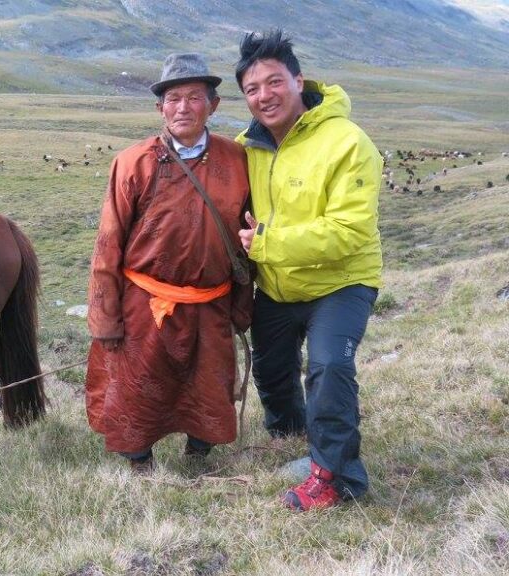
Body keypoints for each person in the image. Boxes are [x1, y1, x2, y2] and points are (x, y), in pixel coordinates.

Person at [234, 30, 383, 511]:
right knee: (272, 368)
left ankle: (338, 479)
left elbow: (349, 231)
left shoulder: (348, 142)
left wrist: (267, 244)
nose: (264, 96)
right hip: (279, 285)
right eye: (252, 89)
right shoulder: (248, 147)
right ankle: (290, 434)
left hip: (341, 282)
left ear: (299, 81)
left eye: (274, 82)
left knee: (329, 368)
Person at [86, 53, 253, 473]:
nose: (183, 107)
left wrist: (242, 305)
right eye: (173, 98)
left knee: (209, 384)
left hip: (212, 300)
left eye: (194, 97)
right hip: (144, 304)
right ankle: (140, 463)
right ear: (160, 108)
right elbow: (108, 243)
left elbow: (248, 240)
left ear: (212, 105)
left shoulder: (238, 161)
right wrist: (104, 318)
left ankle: (199, 456)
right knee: (139, 388)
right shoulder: (132, 162)